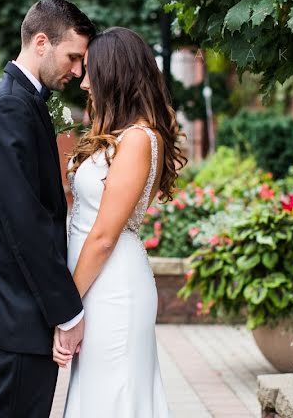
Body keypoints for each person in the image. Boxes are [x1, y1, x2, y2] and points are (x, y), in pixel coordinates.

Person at [0, 0, 96, 417]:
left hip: (16, 310)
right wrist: (69, 311)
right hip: (14, 312)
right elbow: (26, 222)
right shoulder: (9, 106)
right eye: (73, 57)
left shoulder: (24, 100)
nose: (77, 71)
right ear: (42, 42)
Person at [54, 26, 187, 418]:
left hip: (113, 288)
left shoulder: (138, 140)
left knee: (113, 399)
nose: (84, 82)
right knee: (97, 396)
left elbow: (104, 237)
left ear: (115, 73)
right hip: (95, 284)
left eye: (91, 70)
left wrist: (67, 307)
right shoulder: (114, 135)